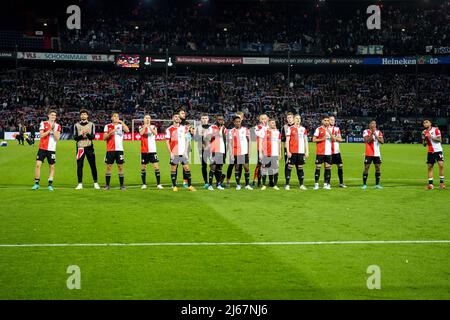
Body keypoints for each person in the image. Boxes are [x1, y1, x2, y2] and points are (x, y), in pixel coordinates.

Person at [31, 110, 61, 191]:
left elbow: (57, 139)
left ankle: (50, 184)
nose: (53, 116)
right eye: (52, 115)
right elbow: (41, 135)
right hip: (42, 148)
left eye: (54, 115)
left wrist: (53, 131)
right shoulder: (43, 123)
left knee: (52, 166)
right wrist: (49, 130)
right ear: (48, 115)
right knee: (38, 165)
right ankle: (36, 184)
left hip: (51, 149)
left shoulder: (57, 126)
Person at [165, 113, 196, 192]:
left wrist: (185, 151)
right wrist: (170, 153)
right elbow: (167, 142)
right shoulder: (169, 129)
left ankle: (189, 186)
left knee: (187, 168)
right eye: (175, 116)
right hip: (174, 152)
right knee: (173, 169)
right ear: (173, 118)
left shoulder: (184, 128)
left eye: (178, 117)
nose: (177, 118)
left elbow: (187, 140)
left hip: (183, 153)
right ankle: (174, 186)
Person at [73, 109, 99, 190]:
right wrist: (82, 136)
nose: (83, 115)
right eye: (82, 114)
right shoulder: (76, 125)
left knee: (93, 165)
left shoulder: (91, 125)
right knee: (79, 166)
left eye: (85, 114)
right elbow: (75, 138)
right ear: (80, 116)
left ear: (87, 116)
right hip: (80, 148)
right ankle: (80, 183)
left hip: (89, 147)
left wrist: (87, 134)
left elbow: (93, 137)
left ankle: (95, 183)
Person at [103, 112, 129, 190]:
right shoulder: (107, 126)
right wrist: (111, 132)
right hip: (110, 150)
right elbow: (104, 138)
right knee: (108, 167)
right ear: (112, 118)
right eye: (114, 116)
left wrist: (122, 122)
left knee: (120, 167)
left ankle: (122, 185)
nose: (116, 117)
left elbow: (127, 130)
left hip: (119, 150)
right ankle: (107, 185)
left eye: (117, 116)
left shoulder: (121, 126)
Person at [228, 115, 253, 190]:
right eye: (236, 122)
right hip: (236, 152)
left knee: (246, 168)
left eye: (239, 121)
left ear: (241, 122)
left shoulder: (245, 129)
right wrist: (231, 154)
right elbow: (230, 143)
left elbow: (249, 141)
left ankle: (247, 185)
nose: (238, 123)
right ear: (234, 122)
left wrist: (249, 152)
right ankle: (238, 184)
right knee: (237, 168)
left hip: (244, 152)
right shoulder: (231, 131)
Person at [139, 114, 163, 190]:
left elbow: (156, 133)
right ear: (144, 119)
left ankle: (158, 184)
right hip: (144, 150)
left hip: (153, 150)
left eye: (149, 118)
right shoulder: (141, 127)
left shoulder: (153, 127)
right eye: (146, 118)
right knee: (143, 167)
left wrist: (149, 126)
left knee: (156, 166)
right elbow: (141, 133)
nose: (148, 119)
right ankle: (144, 184)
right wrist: (145, 126)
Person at [285, 114, 309, 190]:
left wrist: (307, 151)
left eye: (299, 118)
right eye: (296, 118)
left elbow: (306, 141)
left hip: (301, 152)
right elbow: (287, 141)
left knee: (300, 167)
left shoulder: (303, 129)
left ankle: (301, 184)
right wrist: (288, 151)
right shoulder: (290, 128)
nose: (298, 120)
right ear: (294, 120)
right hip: (292, 151)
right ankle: (287, 184)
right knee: (289, 167)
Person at [313, 115, 335, 190]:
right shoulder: (318, 129)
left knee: (328, 168)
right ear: (322, 121)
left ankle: (326, 184)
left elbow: (334, 140)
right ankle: (316, 184)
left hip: (328, 153)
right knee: (318, 167)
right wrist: (322, 139)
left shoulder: (331, 130)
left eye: (327, 120)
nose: (326, 122)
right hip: (320, 152)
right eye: (325, 120)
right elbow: (314, 139)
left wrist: (330, 133)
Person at [422, 119, 445, 190]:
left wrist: (430, 136)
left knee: (441, 165)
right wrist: (424, 139)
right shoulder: (424, 132)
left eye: (426, 122)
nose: (425, 123)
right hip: (430, 151)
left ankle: (441, 184)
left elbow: (440, 140)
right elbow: (424, 144)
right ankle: (430, 185)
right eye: (424, 123)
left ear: (430, 123)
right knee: (430, 167)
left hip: (438, 150)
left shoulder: (436, 130)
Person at [259, 119, 282, 190]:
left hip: (275, 154)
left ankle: (275, 185)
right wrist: (260, 153)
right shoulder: (264, 132)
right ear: (269, 124)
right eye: (272, 123)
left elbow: (279, 143)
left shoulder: (278, 132)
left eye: (274, 123)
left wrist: (279, 153)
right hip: (266, 153)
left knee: (275, 169)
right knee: (264, 169)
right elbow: (260, 142)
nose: (273, 124)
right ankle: (263, 185)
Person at [224, 111, 245, 188]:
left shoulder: (244, 127)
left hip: (241, 150)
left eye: (240, 117)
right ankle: (228, 181)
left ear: (242, 118)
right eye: (237, 116)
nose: (238, 118)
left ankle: (238, 182)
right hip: (232, 149)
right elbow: (229, 140)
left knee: (240, 166)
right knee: (231, 165)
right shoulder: (230, 126)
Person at [206, 115, 227, 190]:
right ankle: (210, 185)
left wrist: (225, 152)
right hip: (214, 149)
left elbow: (225, 140)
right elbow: (207, 138)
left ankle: (218, 184)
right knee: (213, 167)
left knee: (220, 167)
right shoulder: (212, 127)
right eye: (219, 119)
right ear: (216, 119)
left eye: (221, 119)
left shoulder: (224, 128)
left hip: (222, 150)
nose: (220, 121)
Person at [362, 120, 384, 190]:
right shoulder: (366, 131)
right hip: (368, 153)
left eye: (374, 123)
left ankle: (377, 184)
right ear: (369, 125)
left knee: (378, 168)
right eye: (372, 123)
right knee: (366, 168)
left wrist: (376, 135)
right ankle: (364, 184)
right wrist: (372, 133)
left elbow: (382, 142)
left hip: (377, 154)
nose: (373, 124)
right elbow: (367, 141)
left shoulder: (379, 132)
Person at [329, 116, 347, 188]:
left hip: (337, 151)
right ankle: (327, 183)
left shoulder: (337, 129)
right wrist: (335, 138)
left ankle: (341, 183)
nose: (332, 121)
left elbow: (340, 140)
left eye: (333, 120)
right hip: (328, 152)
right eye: (331, 120)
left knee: (340, 166)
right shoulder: (326, 129)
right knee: (328, 167)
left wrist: (334, 138)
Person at [194, 114, 211, 189]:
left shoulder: (211, 127)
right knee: (204, 166)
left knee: (214, 165)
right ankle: (206, 182)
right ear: (200, 120)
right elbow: (195, 139)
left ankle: (216, 180)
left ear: (208, 119)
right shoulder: (197, 128)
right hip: (202, 150)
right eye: (203, 118)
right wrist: (200, 135)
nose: (204, 119)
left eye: (205, 118)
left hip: (211, 149)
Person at [252, 114, 268, 187]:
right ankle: (256, 180)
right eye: (262, 119)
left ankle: (265, 181)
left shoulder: (269, 127)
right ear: (260, 120)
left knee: (266, 165)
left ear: (267, 119)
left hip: (268, 149)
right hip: (259, 148)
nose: (264, 120)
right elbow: (256, 136)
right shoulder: (257, 127)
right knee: (259, 164)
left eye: (265, 118)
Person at [281, 112, 295, 186]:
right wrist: (284, 150)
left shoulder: (297, 126)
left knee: (298, 165)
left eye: (290, 117)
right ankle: (287, 182)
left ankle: (301, 183)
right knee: (287, 165)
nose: (289, 119)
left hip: (297, 148)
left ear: (293, 118)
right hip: (288, 149)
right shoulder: (284, 127)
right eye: (288, 118)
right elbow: (282, 140)